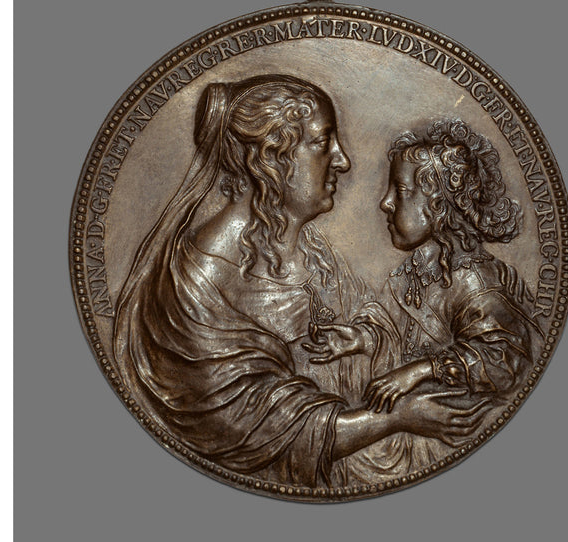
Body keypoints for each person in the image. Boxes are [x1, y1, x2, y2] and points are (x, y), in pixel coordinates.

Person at [113, 76, 478, 491]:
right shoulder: (198, 287)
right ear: (271, 158)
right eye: (322, 143)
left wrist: (364, 338)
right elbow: (254, 432)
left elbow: (377, 321)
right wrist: (397, 418)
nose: (342, 160)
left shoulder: (310, 248)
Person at [343, 119, 543, 479]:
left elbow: (504, 360)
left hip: (456, 435)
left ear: (438, 207)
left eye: (401, 191)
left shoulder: (475, 282)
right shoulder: (414, 271)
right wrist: (360, 339)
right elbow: (396, 333)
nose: (385, 202)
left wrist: (420, 371)